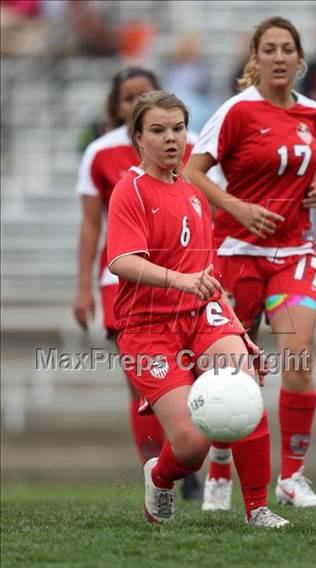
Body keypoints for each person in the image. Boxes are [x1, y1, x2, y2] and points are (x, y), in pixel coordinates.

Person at [107, 90, 289, 529]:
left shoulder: (192, 193)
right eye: (158, 130)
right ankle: (161, 476)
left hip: (202, 317)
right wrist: (178, 280)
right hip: (148, 328)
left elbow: (206, 275)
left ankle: (256, 508)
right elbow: (121, 261)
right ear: (138, 138)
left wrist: (240, 334)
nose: (171, 139)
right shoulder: (129, 190)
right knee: (190, 444)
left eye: (178, 129)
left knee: (245, 387)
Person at [185, 16, 316, 510]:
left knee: (297, 357)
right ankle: (221, 465)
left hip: (294, 252)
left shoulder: (312, 113)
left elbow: (309, 167)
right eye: (270, 49)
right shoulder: (237, 112)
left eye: (288, 48)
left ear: (300, 57)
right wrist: (237, 207)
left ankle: (292, 476)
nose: (280, 57)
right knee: (235, 372)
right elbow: (192, 171)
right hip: (236, 254)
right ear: (255, 58)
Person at [73, 67, 201, 499]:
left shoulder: (190, 147)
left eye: (143, 94)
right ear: (119, 108)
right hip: (123, 281)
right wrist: (82, 287)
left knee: (197, 372)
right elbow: (92, 226)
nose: (135, 102)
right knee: (142, 381)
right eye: (128, 98)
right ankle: (158, 465)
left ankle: (184, 451)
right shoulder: (100, 154)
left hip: (187, 279)